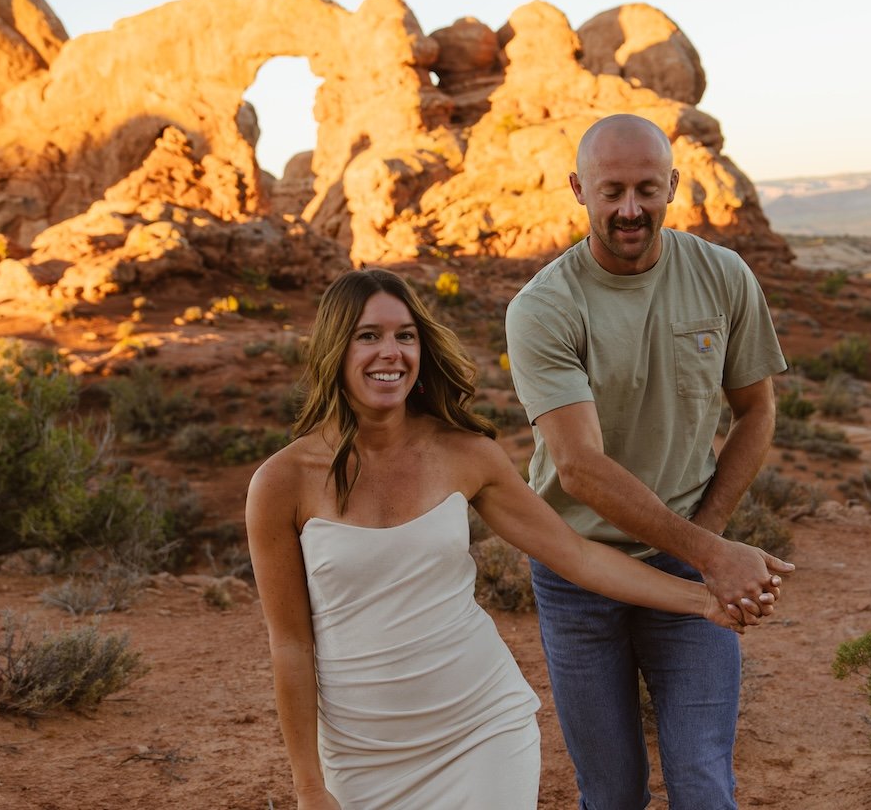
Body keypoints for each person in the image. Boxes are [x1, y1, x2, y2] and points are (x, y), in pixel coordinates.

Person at [245, 268, 772, 810]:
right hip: (360, 752)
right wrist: (309, 786)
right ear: (335, 348)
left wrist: (704, 599)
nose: (391, 353)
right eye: (368, 336)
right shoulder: (281, 483)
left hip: (481, 727)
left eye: (405, 336)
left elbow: (577, 555)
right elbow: (291, 644)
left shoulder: (465, 454)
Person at [504, 113, 794, 809]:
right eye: (611, 191)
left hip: (686, 558)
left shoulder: (722, 276)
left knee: (702, 783)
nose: (629, 209)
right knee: (612, 794)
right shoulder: (544, 307)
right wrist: (713, 551)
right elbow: (577, 468)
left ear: (672, 184)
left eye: (645, 188)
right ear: (579, 189)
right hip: (578, 570)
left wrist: (707, 542)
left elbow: (756, 411)